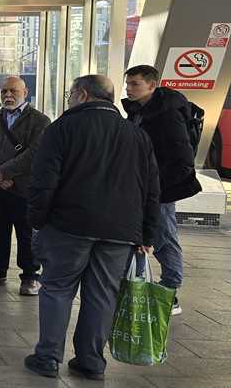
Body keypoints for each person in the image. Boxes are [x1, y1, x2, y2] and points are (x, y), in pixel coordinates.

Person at [25, 75, 159, 381]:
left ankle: (48, 358)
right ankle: (91, 362)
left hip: (68, 225)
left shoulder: (62, 128)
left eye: (71, 94)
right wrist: (147, 233)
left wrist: (37, 219)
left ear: (83, 94)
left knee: (57, 288)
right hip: (120, 230)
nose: (69, 99)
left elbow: (44, 180)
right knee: (102, 295)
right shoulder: (136, 135)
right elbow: (151, 189)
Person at [123, 64, 201, 316]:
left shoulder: (167, 114)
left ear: (152, 85)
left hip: (160, 190)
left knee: (163, 237)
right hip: (141, 187)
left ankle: (170, 290)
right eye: (128, 83)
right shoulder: (138, 110)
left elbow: (182, 159)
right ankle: (137, 283)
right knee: (140, 236)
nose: (129, 88)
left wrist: (156, 189)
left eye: (135, 84)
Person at [0, 76, 51, 296]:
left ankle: (30, 276)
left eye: (13, 91)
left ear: (25, 93)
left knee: (26, 234)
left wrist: (3, 172)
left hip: (23, 188)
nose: (8, 95)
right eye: (4, 91)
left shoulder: (40, 120)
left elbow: (35, 153)